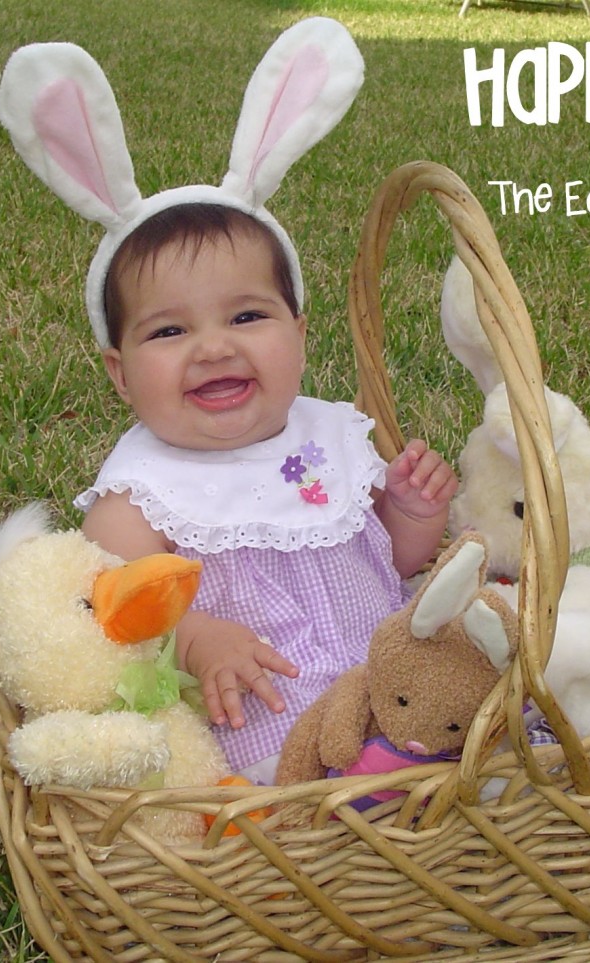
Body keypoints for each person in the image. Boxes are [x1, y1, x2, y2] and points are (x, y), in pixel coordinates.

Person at [75, 203, 457, 783]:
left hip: (401, 695)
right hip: (275, 739)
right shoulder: (137, 498)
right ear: (121, 372)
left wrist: (408, 511)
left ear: (300, 336)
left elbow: (390, 564)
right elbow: (114, 627)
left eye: (247, 316)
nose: (213, 348)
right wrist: (196, 640)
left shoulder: (331, 440)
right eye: (169, 331)